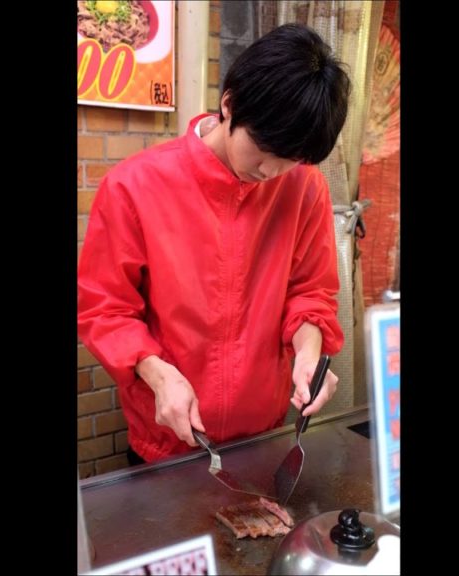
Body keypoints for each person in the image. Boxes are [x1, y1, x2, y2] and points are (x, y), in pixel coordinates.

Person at [78, 23, 351, 464]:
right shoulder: (133, 187)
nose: (270, 172)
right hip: (168, 439)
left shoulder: (305, 188)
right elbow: (106, 311)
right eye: (263, 149)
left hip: (262, 440)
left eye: (291, 160)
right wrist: (159, 373)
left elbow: (310, 292)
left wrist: (309, 352)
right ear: (230, 104)